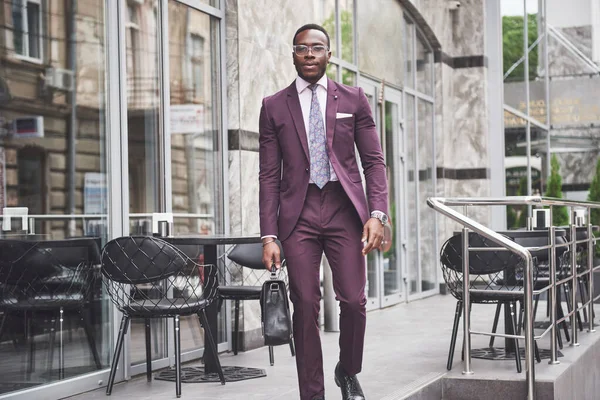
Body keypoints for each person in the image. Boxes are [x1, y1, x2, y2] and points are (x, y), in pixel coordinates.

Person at [258, 23, 389, 400]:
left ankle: (347, 370)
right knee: (305, 304)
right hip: (297, 216)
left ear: (329, 54)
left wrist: (377, 213)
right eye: (302, 48)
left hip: (344, 210)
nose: (310, 54)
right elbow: (268, 175)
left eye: (317, 48)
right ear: (293, 54)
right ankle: (311, 395)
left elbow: (374, 162)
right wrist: (269, 235)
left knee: (353, 301)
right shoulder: (273, 106)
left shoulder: (354, 99)